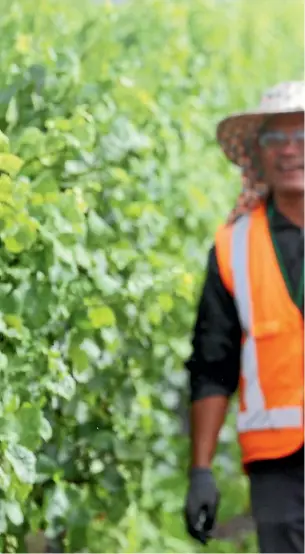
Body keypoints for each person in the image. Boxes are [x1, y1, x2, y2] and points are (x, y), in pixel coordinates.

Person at [184, 81, 304, 554]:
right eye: (276, 139)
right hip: (278, 464)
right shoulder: (234, 246)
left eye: (302, 136)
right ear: (258, 153)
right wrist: (200, 470)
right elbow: (213, 365)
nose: (290, 150)